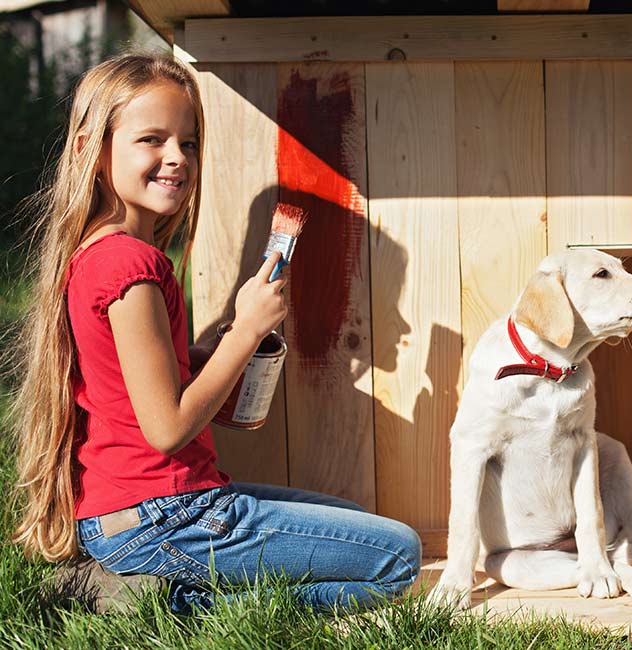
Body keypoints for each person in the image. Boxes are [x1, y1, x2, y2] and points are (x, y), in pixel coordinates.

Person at [10, 52, 421, 614]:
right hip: (165, 516)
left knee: (354, 526)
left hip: (145, 512)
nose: (176, 158)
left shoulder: (102, 256)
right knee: (397, 557)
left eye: (189, 143)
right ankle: (165, 604)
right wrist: (245, 332)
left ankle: (155, 590)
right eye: (151, 139)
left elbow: (131, 392)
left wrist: (202, 354)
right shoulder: (129, 267)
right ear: (92, 150)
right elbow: (168, 428)